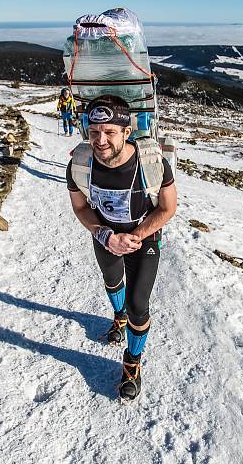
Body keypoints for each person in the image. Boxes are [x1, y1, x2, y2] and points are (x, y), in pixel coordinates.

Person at [66, 95, 177, 402]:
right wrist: (106, 236)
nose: (101, 140)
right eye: (94, 132)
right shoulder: (79, 164)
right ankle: (118, 317)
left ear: (126, 132)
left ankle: (132, 361)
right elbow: (80, 208)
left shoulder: (152, 164)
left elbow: (167, 208)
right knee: (113, 281)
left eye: (110, 132)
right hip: (106, 237)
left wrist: (137, 235)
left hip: (144, 238)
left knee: (138, 303)